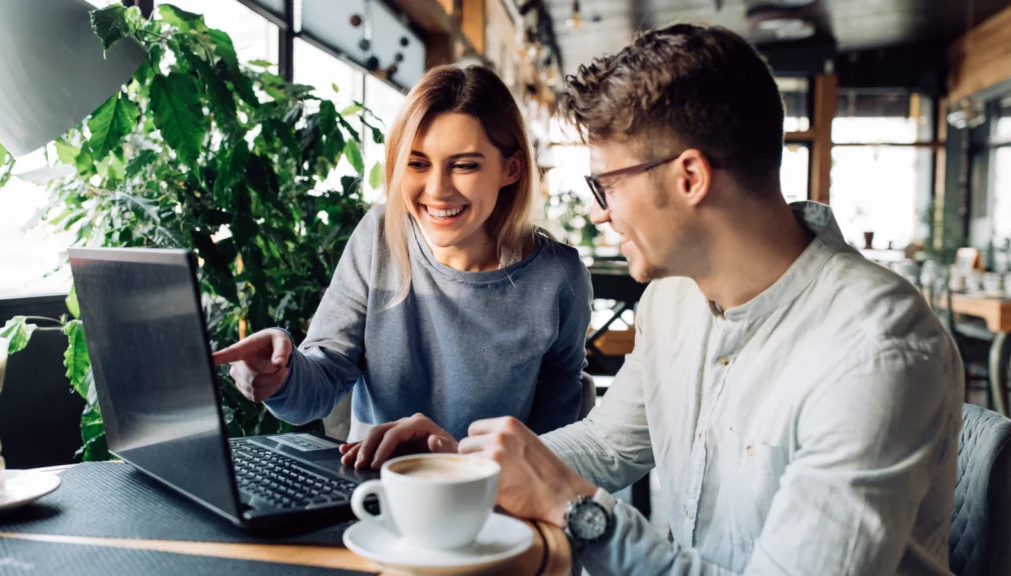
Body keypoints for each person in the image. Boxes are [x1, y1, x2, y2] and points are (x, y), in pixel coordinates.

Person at [350, 24, 963, 575]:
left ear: (689, 177)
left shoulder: (874, 351)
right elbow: (611, 445)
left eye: (606, 183)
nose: (598, 211)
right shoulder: (672, 299)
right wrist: (462, 463)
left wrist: (574, 509)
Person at [213, 65, 592, 464]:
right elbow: (321, 382)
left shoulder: (558, 279)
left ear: (510, 169)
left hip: (493, 499)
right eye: (417, 163)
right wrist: (280, 375)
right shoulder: (379, 235)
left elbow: (552, 440)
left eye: (464, 165)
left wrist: (468, 468)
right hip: (377, 487)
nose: (437, 190)